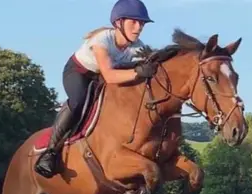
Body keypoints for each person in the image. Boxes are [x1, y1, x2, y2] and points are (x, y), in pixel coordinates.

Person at [34, 0, 159, 178]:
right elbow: (109, 76)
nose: (138, 27)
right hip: (79, 72)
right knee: (79, 101)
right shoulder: (102, 40)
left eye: (142, 23)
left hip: (101, 77)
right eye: (134, 22)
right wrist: (138, 73)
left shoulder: (137, 46)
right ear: (118, 23)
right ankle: (50, 152)